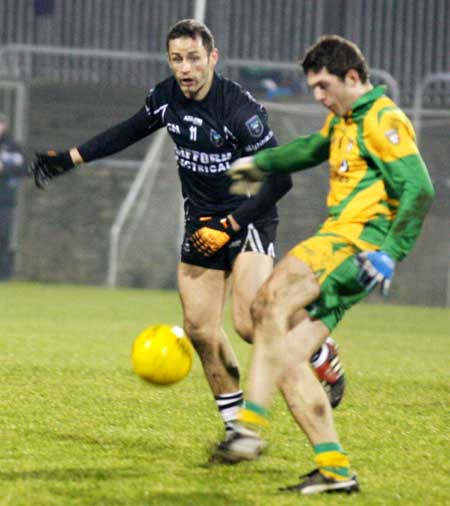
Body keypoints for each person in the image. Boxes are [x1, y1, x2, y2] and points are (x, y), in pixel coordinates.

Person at [28, 21, 346, 447]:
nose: (185, 68)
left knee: (250, 323)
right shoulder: (166, 98)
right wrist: (71, 157)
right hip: (201, 221)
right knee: (199, 330)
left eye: (194, 58)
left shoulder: (240, 110)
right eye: (177, 59)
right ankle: (237, 431)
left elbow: (279, 182)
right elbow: (128, 129)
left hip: (248, 218)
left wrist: (230, 226)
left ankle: (322, 351)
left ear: (212, 58)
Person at [218, 35, 435, 494]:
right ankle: (335, 469)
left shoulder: (382, 118)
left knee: (268, 303)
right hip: (348, 253)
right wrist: (259, 163)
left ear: (352, 78)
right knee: (289, 358)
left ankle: (247, 429)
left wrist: (391, 253)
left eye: (323, 86)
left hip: (353, 242)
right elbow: (311, 150)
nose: (317, 96)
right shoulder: (344, 119)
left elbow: (420, 188)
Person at [0, 113, 27, 279]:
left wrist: (4, 170)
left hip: (5, 200)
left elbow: (23, 168)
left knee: (3, 236)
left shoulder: (14, 147)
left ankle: (3, 275)